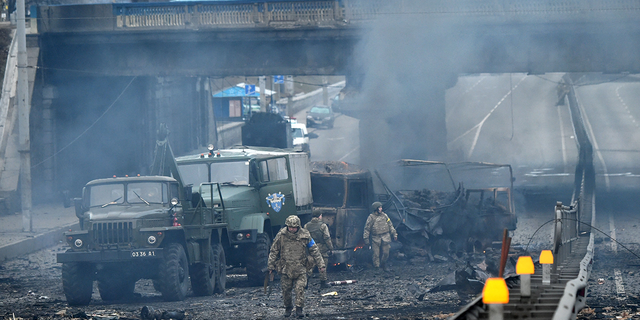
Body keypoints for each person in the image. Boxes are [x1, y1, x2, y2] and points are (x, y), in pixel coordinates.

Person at [268, 215, 326, 318]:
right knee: (286, 290)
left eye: (294, 227)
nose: (292, 229)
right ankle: (288, 307)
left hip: (301, 268)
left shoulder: (305, 235)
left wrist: (321, 264)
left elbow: (314, 250)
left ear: (298, 227)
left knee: (300, 289)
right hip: (286, 268)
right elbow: (274, 251)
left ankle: (299, 309)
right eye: (290, 227)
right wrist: (271, 266)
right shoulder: (281, 235)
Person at [363, 202, 397, 272]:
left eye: (381, 207)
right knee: (376, 254)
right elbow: (367, 229)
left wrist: (394, 234)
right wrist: (366, 240)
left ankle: (383, 264)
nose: (381, 209)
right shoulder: (371, 217)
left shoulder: (385, 216)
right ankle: (377, 267)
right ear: (376, 209)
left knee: (386, 253)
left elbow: (390, 225)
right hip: (376, 238)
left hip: (385, 236)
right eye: (379, 207)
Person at [304, 209, 334, 288]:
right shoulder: (323, 226)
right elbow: (327, 238)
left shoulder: (306, 225)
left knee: (310, 265)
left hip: (310, 248)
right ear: (320, 216)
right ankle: (323, 283)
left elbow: (304, 238)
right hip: (322, 248)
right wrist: (331, 248)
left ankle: (305, 282)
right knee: (323, 264)